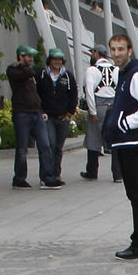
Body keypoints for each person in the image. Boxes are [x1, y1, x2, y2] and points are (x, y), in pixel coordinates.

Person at [102, 31, 138, 259]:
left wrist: (124, 124)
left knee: (136, 193)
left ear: (129, 51)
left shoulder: (136, 75)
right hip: (126, 141)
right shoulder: (125, 73)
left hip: (131, 141)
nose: (116, 54)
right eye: (113, 49)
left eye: (120, 49)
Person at [6, 46, 61, 187]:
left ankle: (48, 177)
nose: (31, 60)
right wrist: (20, 66)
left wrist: (41, 109)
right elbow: (27, 73)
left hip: (35, 112)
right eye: (28, 57)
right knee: (22, 148)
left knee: (45, 145)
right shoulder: (13, 70)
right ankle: (19, 178)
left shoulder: (27, 73)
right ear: (20, 56)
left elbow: (34, 92)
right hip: (22, 113)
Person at [36, 49, 78, 180]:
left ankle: (56, 173)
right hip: (47, 116)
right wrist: (41, 110)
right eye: (54, 59)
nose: (57, 62)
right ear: (50, 60)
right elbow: (36, 94)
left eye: (59, 60)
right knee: (50, 145)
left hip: (62, 117)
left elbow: (73, 95)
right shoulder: (42, 74)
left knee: (59, 148)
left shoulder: (67, 76)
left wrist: (69, 113)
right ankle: (47, 175)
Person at [81, 46, 120, 180]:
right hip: (114, 105)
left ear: (96, 53)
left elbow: (89, 92)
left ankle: (92, 171)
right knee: (115, 140)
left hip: (99, 105)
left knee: (93, 139)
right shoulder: (116, 69)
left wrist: (92, 111)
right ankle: (117, 173)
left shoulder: (92, 70)